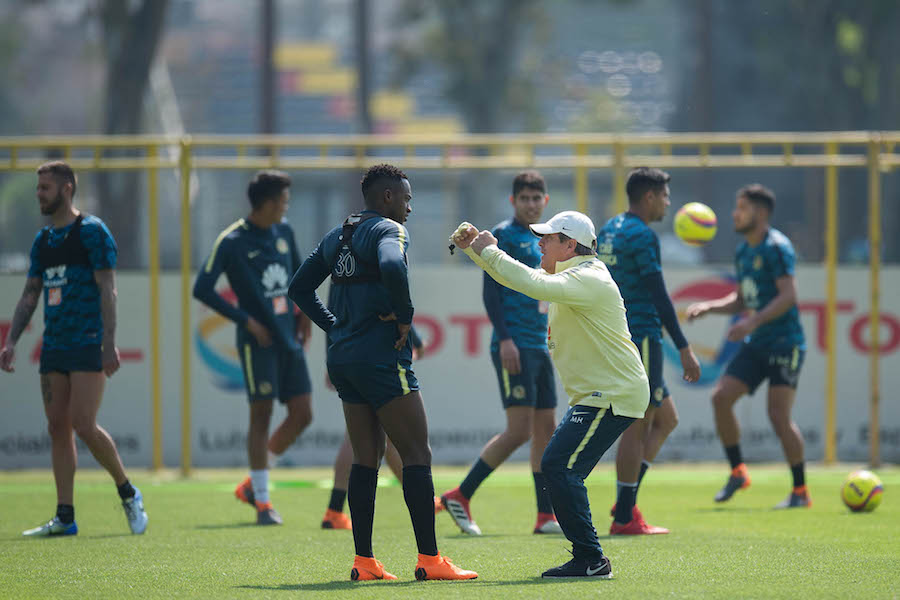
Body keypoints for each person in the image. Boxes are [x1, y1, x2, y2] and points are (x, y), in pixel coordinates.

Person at [289, 164, 477, 582]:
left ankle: (365, 561)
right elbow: (392, 266)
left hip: (344, 358)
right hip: (381, 357)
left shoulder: (338, 234)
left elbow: (299, 288)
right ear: (387, 197)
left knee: (366, 458)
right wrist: (406, 317)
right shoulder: (389, 231)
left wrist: (333, 326)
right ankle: (430, 560)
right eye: (406, 199)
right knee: (417, 454)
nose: (410, 207)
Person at [451, 210, 649, 579]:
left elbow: (531, 284)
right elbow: (525, 281)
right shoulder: (575, 275)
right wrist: (477, 252)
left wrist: (490, 251)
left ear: (570, 244)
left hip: (611, 394)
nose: (539, 243)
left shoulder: (587, 277)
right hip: (603, 394)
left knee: (558, 466)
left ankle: (591, 559)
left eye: (548, 238)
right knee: (560, 468)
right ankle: (588, 558)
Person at [0, 161, 148, 537]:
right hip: (54, 347)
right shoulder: (43, 241)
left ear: (66, 189)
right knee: (57, 426)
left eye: (44, 188)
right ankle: (65, 516)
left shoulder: (92, 232)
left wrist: (109, 342)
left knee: (83, 424)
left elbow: (108, 290)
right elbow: (30, 294)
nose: (38, 194)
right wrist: (12, 341)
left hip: (87, 343)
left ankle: (128, 493)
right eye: (37, 188)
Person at [439, 171, 561, 536]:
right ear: (513, 202)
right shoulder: (503, 235)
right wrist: (505, 338)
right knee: (519, 430)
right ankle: (461, 494)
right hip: (515, 344)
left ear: (546, 201)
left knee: (545, 430)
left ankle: (545, 516)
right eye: (524, 198)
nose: (531, 204)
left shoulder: (547, 238)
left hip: (540, 344)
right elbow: (491, 293)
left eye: (536, 198)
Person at [193, 170, 314, 526]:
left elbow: (299, 276)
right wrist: (246, 321)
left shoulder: (284, 231)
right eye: (284, 201)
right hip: (257, 340)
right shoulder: (231, 241)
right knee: (260, 416)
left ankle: (252, 485)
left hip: (288, 337)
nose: (286, 207)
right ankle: (263, 501)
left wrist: (305, 313)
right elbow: (202, 287)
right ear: (268, 203)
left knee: (303, 414)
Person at [686, 184, 809, 508]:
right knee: (721, 398)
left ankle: (800, 491)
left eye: (742, 208)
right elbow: (742, 299)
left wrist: (751, 322)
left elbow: (788, 296)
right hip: (758, 343)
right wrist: (710, 307)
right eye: (736, 207)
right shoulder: (744, 251)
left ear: (761, 213)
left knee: (778, 416)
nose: (735, 213)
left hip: (785, 343)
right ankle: (738, 471)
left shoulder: (777, 247)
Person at [596, 167, 701, 535]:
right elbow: (658, 294)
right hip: (640, 334)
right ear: (650, 196)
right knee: (637, 424)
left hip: (621, 333)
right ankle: (625, 516)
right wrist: (684, 347)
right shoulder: (642, 235)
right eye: (665, 196)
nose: (669, 203)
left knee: (666, 418)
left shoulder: (610, 228)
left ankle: (625, 503)